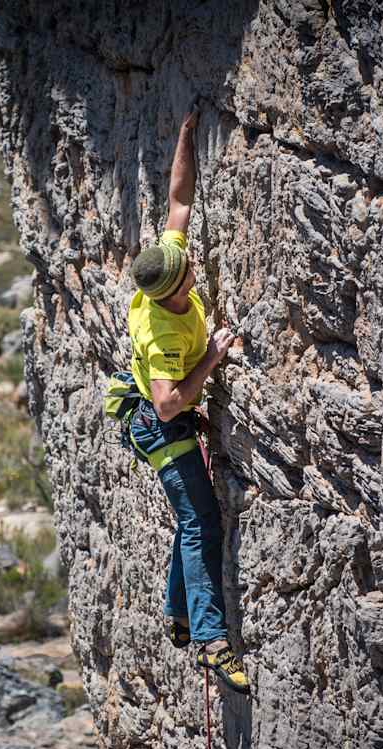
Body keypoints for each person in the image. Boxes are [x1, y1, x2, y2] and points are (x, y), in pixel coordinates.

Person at [126, 106, 249, 693]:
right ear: (173, 287)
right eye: (188, 268)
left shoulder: (164, 266)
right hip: (157, 423)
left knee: (192, 520)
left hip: (158, 412)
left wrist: (184, 135)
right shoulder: (164, 335)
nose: (194, 262)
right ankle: (209, 641)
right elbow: (168, 404)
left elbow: (179, 200)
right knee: (201, 522)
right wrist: (213, 356)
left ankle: (179, 612)